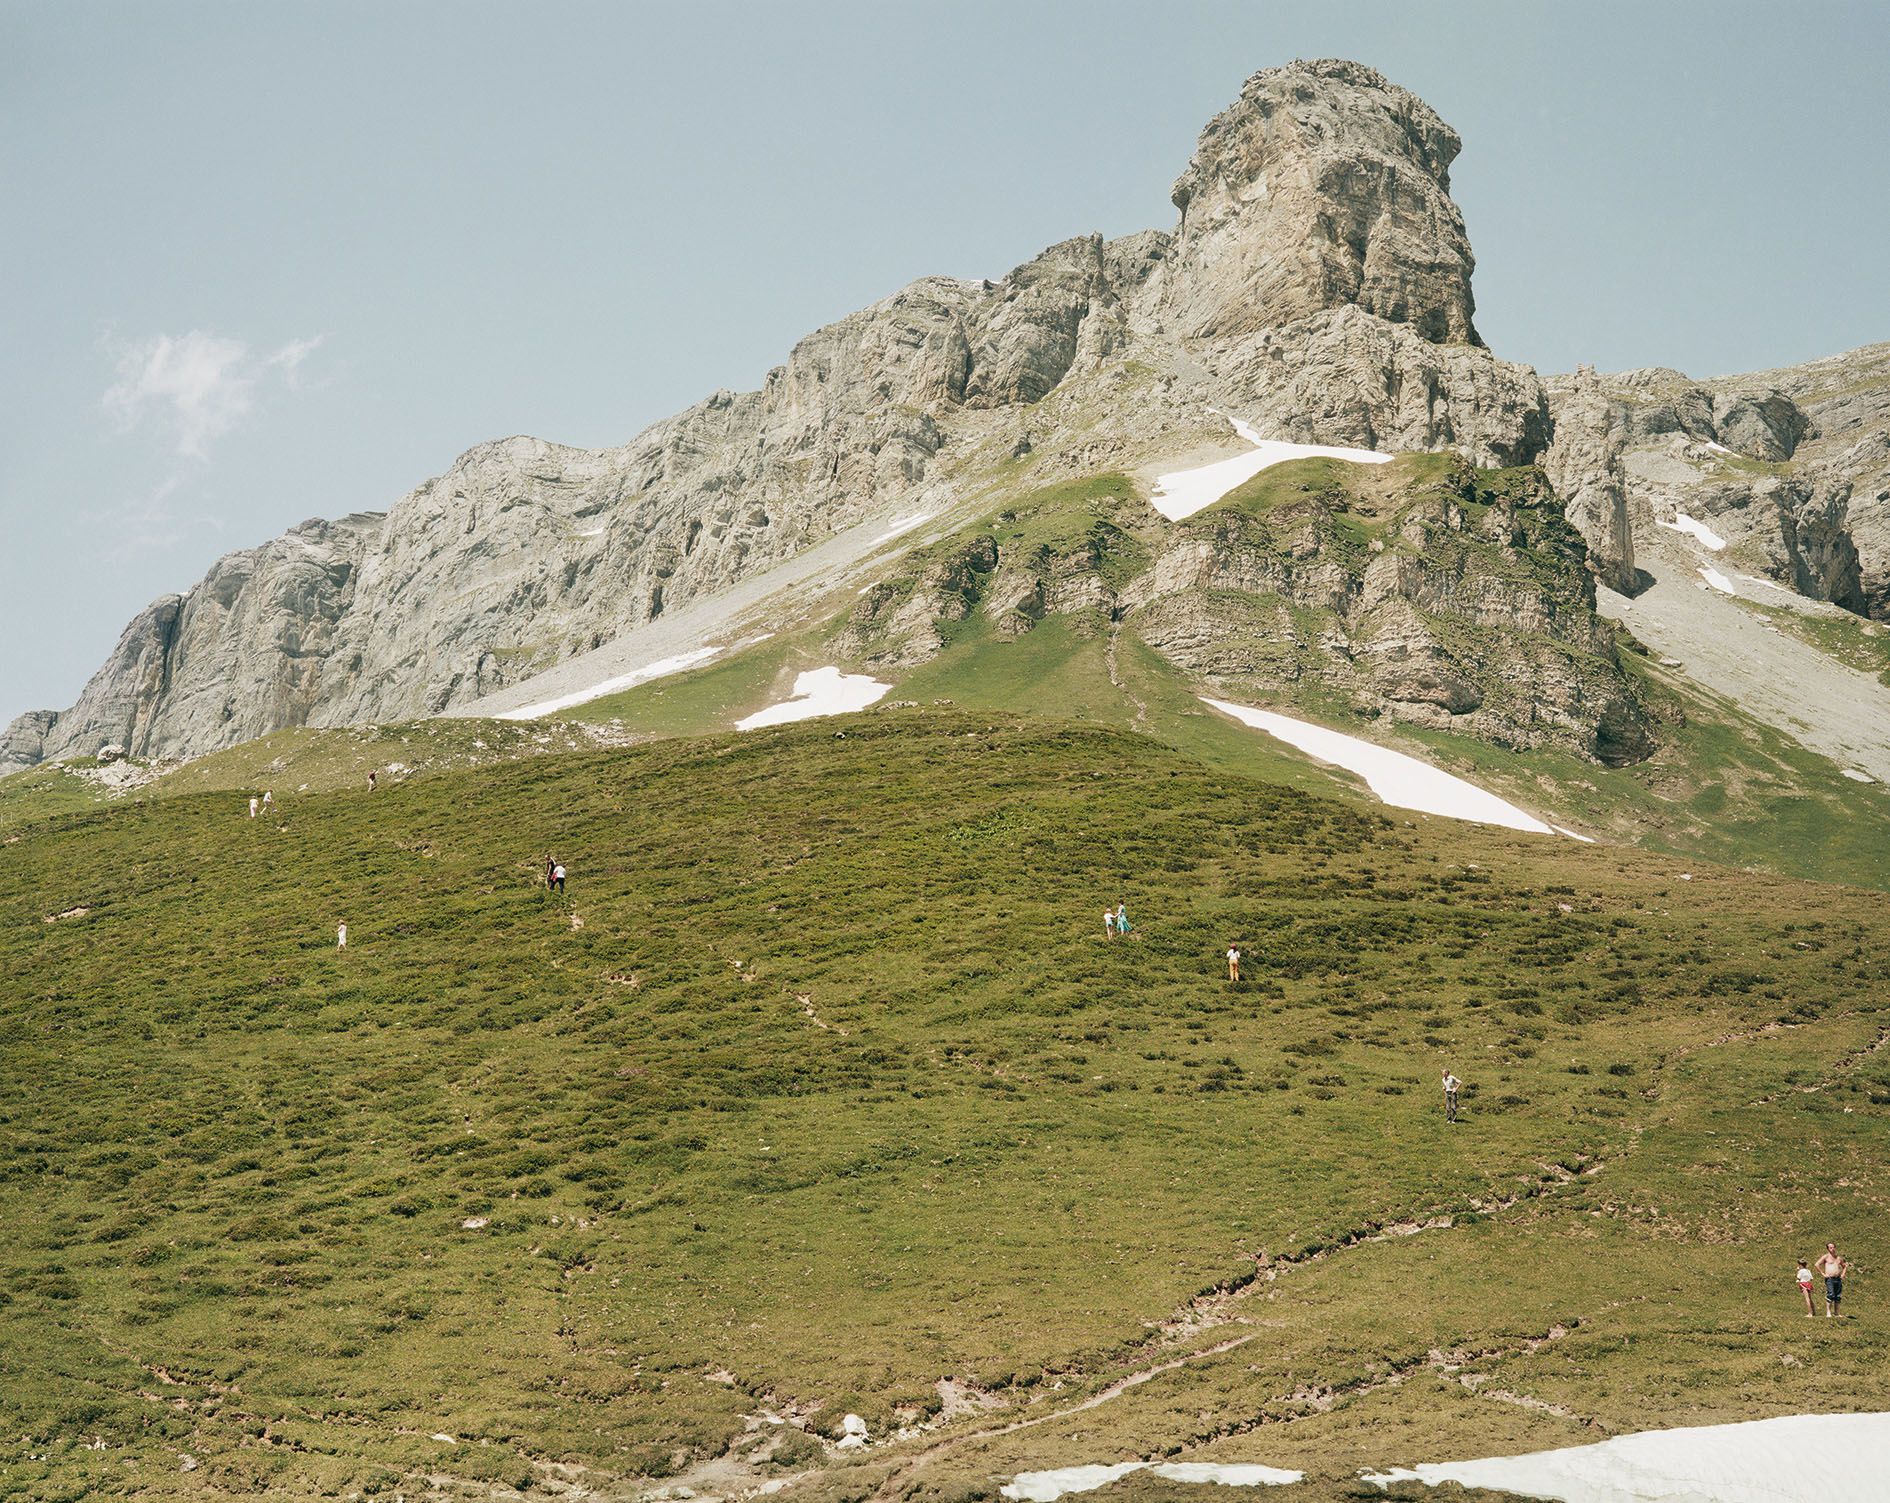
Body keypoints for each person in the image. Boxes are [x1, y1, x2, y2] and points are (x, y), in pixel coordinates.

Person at [1815, 1242, 1849, 1317]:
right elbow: (1817, 1264)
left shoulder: (1838, 1258)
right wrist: (1823, 1274)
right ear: (1828, 1249)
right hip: (1830, 1279)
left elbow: (1844, 1266)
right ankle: (1828, 1313)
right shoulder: (1826, 1257)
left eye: (1833, 1247)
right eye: (1830, 1247)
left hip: (1838, 1279)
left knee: (1838, 1296)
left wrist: (1843, 1274)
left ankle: (1837, 1313)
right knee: (1830, 1294)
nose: (1832, 1249)